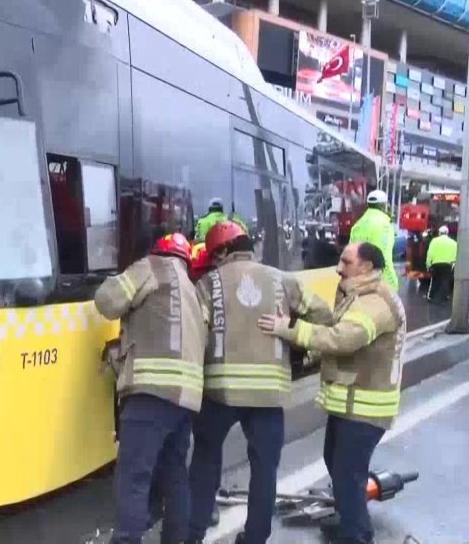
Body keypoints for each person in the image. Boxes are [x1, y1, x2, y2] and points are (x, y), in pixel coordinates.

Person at [187, 223, 332, 544]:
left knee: (206, 458)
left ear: (224, 252)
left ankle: (193, 533)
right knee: (264, 469)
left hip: (218, 392)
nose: (213, 262)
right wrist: (290, 328)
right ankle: (255, 538)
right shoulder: (283, 280)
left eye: (214, 256)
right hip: (269, 394)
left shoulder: (208, 284)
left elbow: (193, 332)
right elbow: (325, 315)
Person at [258, 242, 406, 544]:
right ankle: (354, 525)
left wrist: (289, 328)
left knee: (348, 475)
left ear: (365, 267)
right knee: (339, 465)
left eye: (346, 261)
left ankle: (356, 536)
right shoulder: (356, 294)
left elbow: (342, 339)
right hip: (351, 403)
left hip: (365, 408)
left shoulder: (375, 303)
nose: (338, 267)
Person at [94, 232, 208, 544]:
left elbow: (107, 301)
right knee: (174, 476)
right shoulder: (194, 291)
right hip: (186, 400)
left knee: (134, 477)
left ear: (157, 251)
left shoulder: (152, 267)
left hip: (150, 394)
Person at [349, 190, 398, 291]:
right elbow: (384, 259)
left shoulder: (357, 226)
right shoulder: (384, 226)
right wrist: (393, 284)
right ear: (383, 206)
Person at [425, 225, 457, 304]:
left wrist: (428, 265)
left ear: (439, 233)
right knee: (445, 281)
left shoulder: (434, 241)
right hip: (448, 265)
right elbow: (456, 256)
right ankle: (444, 297)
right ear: (447, 233)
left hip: (436, 265)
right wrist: (453, 265)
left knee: (434, 281)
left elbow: (430, 254)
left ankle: (431, 297)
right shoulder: (453, 243)